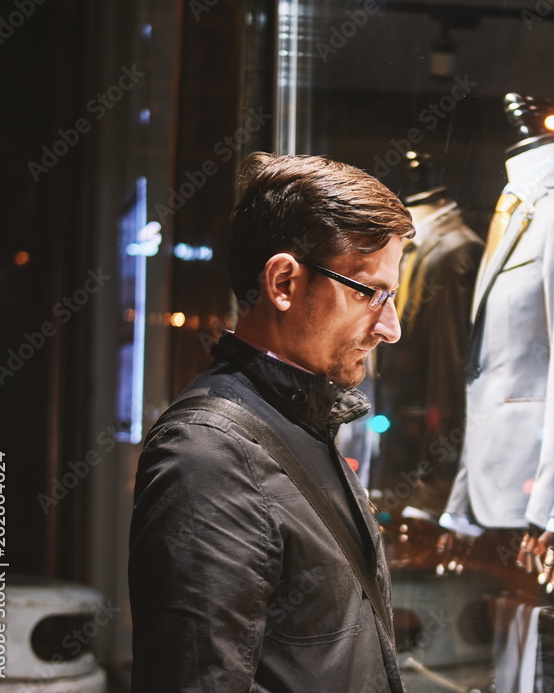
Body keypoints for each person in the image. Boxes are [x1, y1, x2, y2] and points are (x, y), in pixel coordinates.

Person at [128, 152, 413, 692]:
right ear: (283, 282)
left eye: (391, 296)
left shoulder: (300, 418)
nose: (390, 327)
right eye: (369, 292)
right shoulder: (208, 455)